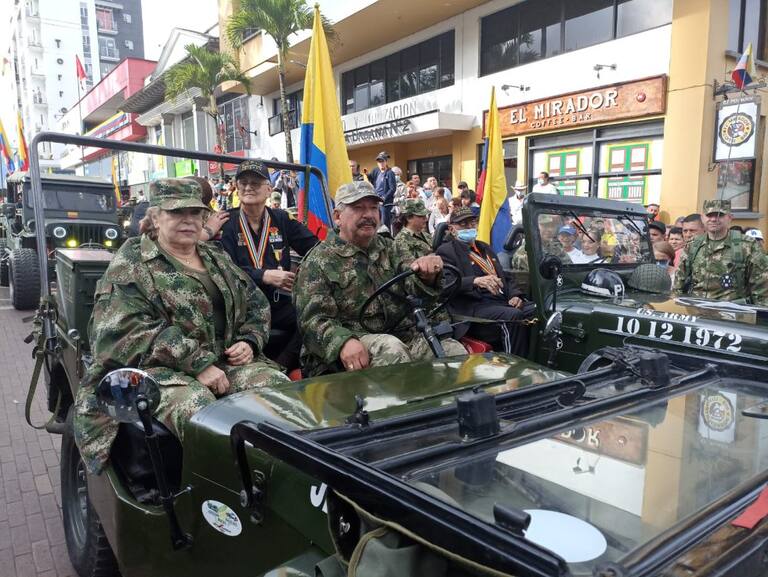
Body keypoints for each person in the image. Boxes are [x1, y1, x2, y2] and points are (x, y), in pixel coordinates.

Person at [74, 178, 288, 474]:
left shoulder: (215, 257)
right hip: (155, 370)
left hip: (224, 361)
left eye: (195, 213)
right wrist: (197, 362)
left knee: (280, 393)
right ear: (155, 218)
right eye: (176, 212)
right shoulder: (133, 261)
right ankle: (223, 491)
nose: (188, 220)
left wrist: (250, 340)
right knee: (204, 415)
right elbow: (121, 333)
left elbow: (255, 303)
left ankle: (284, 477)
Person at [294, 180, 466, 376]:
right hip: (347, 349)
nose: (368, 215)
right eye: (358, 208)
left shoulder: (391, 248)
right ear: (337, 216)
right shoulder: (319, 260)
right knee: (392, 349)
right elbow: (312, 320)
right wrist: (342, 341)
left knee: (453, 352)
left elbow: (414, 285)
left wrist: (427, 275)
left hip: (403, 336)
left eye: (374, 208)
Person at [219, 160, 319, 371]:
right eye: (243, 182)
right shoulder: (226, 222)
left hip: (276, 302)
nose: (248, 187)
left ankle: (282, 366)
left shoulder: (280, 218)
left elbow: (314, 248)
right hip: (241, 306)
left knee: (314, 315)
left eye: (255, 183)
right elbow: (224, 269)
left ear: (269, 188)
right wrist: (263, 275)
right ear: (236, 187)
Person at [436, 207, 532, 356]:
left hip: (501, 301)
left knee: (539, 310)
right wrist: (475, 281)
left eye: (472, 223)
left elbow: (505, 276)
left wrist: (515, 295)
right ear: (451, 229)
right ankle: (516, 364)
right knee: (512, 316)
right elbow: (446, 283)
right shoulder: (446, 251)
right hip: (474, 308)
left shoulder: (484, 247)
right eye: (463, 224)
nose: (469, 227)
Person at [674, 199, 768, 304]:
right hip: (697, 308)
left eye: (720, 215)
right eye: (709, 215)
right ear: (703, 218)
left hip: (732, 310)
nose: (714, 219)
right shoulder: (693, 245)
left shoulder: (747, 245)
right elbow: (679, 284)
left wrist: (761, 312)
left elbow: (762, 288)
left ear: (730, 218)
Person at [394, 198, 433, 262]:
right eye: (421, 216)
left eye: (425, 216)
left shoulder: (426, 235)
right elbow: (409, 266)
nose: (426, 219)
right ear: (409, 218)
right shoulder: (401, 241)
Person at [367, 151, 397, 230]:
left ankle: (387, 237)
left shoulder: (390, 173)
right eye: (379, 161)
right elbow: (372, 179)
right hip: (377, 200)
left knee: (385, 224)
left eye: (382, 161)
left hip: (385, 203)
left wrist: (384, 198)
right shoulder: (376, 171)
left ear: (386, 162)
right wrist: (367, 174)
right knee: (377, 222)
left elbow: (392, 189)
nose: (381, 163)